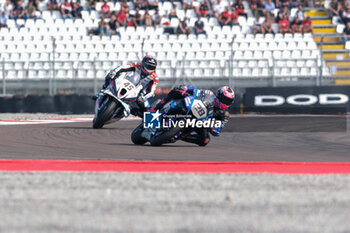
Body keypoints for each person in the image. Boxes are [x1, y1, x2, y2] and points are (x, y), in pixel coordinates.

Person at [147, 85, 235, 146]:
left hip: (198, 123)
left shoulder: (223, 114)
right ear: (219, 95)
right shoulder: (209, 94)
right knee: (177, 91)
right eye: (225, 99)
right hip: (191, 108)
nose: (225, 103)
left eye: (228, 101)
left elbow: (216, 132)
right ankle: (155, 109)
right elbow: (195, 91)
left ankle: (176, 136)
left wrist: (211, 126)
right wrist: (185, 88)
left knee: (205, 140)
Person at [94, 55, 158, 114]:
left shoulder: (154, 77)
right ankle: (102, 91)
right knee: (110, 76)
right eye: (148, 66)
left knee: (145, 107)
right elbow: (122, 67)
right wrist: (114, 72)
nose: (149, 68)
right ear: (143, 63)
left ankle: (138, 113)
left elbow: (151, 91)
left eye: (151, 67)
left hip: (141, 91)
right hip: (129, 82)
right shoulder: (137, 65)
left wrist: (144, 97)